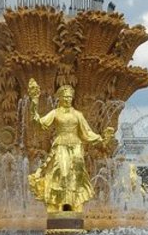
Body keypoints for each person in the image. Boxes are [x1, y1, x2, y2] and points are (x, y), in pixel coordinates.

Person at [26, 79, 106, 214]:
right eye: (65, 97)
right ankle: (59, 204)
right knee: (61, 173)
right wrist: (34, 103)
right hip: (61, 145)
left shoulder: (77, 115)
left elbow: (87, 133)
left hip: (76, 146)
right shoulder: (55, 113)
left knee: (77, 174)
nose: (68, 99)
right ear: (60, 98)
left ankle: (75, 203)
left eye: (70, 97)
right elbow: (39, 123)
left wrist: (101, 139)